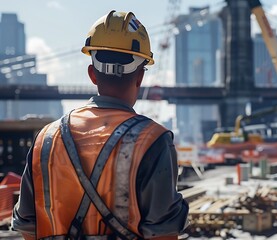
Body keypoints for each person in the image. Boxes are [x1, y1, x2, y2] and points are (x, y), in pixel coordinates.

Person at [11, 11, 189, 239]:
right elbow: (163, 234)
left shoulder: (46, 139)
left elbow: (27, 225)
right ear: (140, 78)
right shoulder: (152, 140)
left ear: (92, 74)